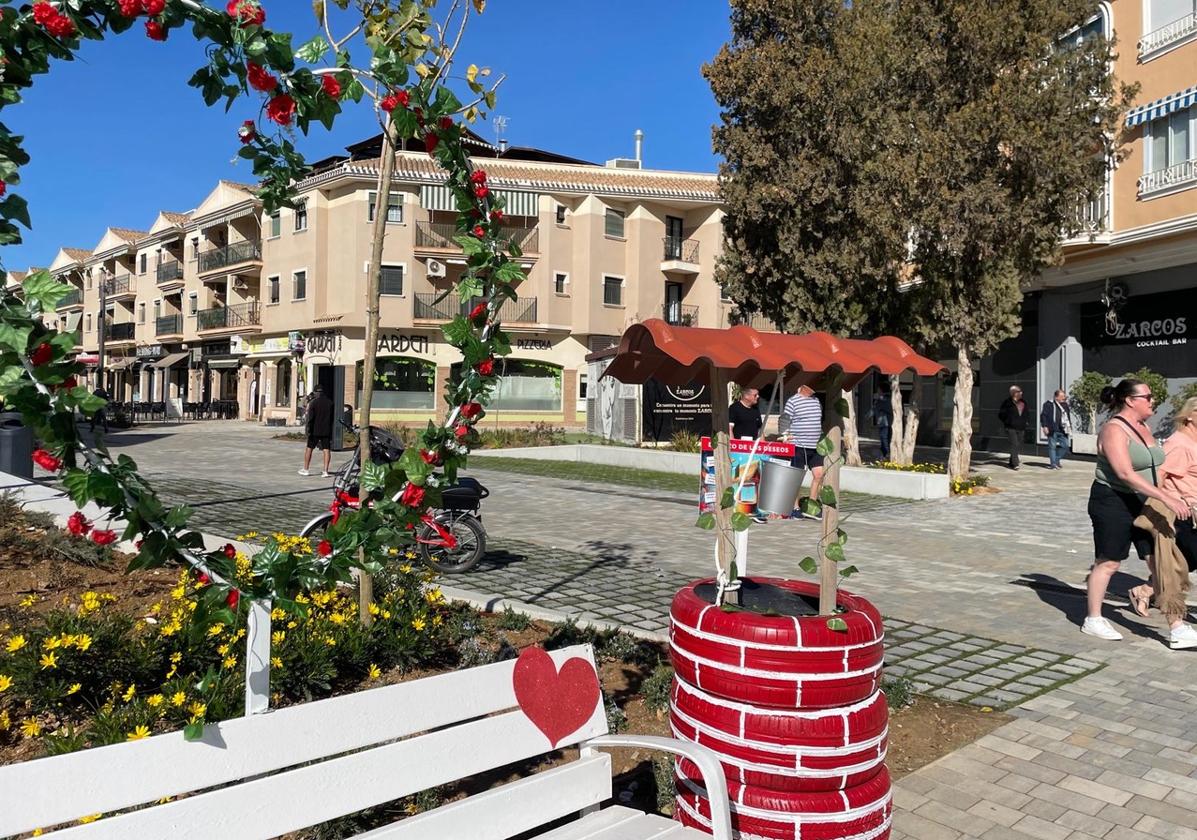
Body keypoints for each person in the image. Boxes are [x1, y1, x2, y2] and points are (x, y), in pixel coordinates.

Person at [1082, 379, 1191, 645]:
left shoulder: (1144, 427)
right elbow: (1124, 473)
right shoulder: (1113, 429)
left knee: (1160, 562)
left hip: (1142, 501)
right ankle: (1093, 619)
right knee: (1109, 562)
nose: (1153, 400)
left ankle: (1177, 627)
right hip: (1112, 500)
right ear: (1130, 400)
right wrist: (1166, 497)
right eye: (1148, 396)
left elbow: (1156, 469)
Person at [1130, 397, 1197, 612]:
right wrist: (1170, 499)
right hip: (1182, 513)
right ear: (1188, 416)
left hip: (1193, 511)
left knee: (1184, 563)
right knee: (1184, 562)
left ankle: (1146, 590)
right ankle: (1151, 591)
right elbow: (1158, 476)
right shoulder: (1179, 443)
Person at [782, 383, 824, 519]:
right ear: (804, 386)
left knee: (819, 474)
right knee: (796, 477)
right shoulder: (793, 401)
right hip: (798, 444)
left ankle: (812, 507)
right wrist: (785, 435)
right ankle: (795, 508)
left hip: (815, 446)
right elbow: (784, 420)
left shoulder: (816, 400)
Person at [299, 386, 334, 477]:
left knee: (309, 448)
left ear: (315, 393)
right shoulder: (330, 403)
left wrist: (308, 430)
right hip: (326, 430)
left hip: (314, 430)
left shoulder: (313, 403)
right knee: (326, 449)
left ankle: (306, 469)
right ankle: (325, 471)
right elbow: (332, 418)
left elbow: (310, 418)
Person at [1040, 389, 1073, 470]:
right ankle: (1053, 464)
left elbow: (1067, 417)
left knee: (1065, 446)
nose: (1063, 398)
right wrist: (1044, 426)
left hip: (1062, 429)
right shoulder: (1048, 404)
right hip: (1052, 429)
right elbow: (1043, 416)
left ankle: (1056, 460)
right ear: (1056, 397)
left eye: (1064, 396)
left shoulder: (1065, 405)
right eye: (1061, 396)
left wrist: (1069, 427)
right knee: (1052, 447)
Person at [998, 385, 1028, 470]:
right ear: (1014, 393)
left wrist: (1026, 422)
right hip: (1011, 427)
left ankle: (1011, 462)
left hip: (1021, 427)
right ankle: (1015, 463)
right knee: (1014, 444)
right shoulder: (1007, 403)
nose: (1021, 393)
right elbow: (1001, 414)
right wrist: (1008, 421)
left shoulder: (1023, 402)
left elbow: (1026, 414)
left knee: (1018, 445)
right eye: (1019, 391)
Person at [871, 385, 894, 461]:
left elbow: (876, 409)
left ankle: (886, 455)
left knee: (884, 439)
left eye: (878, 390)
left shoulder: (885, 400)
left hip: (886, 423)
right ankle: (884, 455)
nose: (877, 392)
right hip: (884, 422)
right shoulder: (882, 400)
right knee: (884, 439)